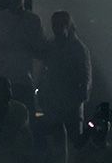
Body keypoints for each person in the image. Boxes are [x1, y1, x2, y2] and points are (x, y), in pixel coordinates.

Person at [0, 0, 45, 109]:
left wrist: (26, 47)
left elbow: (41, 51)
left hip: (22, 79)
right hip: (0, 78)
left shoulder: (33, 21)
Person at [37, 10, 92, 143]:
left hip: (70, 104)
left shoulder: (78, 49)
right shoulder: (53, 47)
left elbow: (85, 76)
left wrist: (79, 98)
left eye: (60, 25)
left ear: (68, 25)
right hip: (54, 103)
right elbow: (44, 71)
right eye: (55, 25)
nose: (57, 28)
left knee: (71, 141)